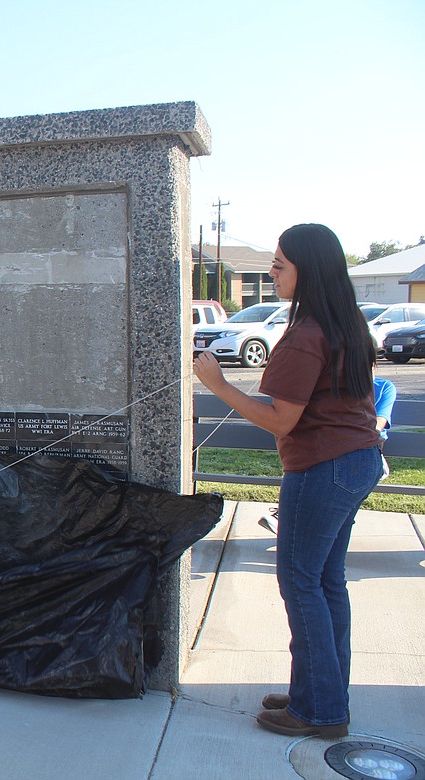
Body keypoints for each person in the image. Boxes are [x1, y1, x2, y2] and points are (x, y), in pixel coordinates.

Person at [194, 224, 382, 739]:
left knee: (301, 583)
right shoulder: (345, 324)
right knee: (325, 583)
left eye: (279, 265)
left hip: (324, 469)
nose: (272, 272)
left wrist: (218, 383)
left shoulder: (304, 335)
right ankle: (321, 695)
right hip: (357, 462)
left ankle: (318, 712)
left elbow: (280, 419)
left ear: (307, 269)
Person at [258, 372, 396, 534]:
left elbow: (375, 428)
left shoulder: (384, 388)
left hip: (365, 453)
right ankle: (293, 519)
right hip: (331, 450)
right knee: (316, 466)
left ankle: (290, 519)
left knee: (329, 472)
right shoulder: (336, 385)